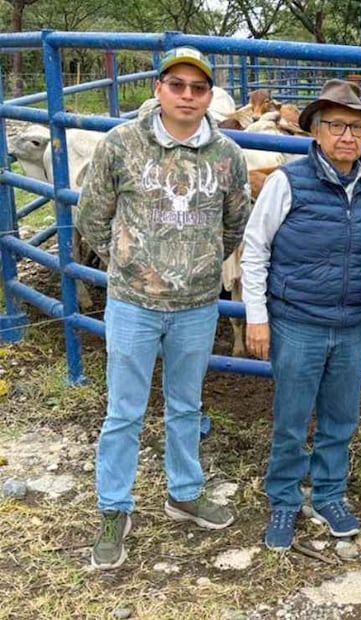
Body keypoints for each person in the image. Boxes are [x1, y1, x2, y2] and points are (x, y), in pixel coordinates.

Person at [79, 46, 250, 570]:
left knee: (186, 405)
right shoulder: (121, 145)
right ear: (159, 89)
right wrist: (131, 265)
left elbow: (233, 224)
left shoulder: (227, 155)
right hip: (133, 303)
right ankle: (114, 508)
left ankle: (184, 492)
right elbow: (91, 218)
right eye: (177, 85)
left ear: (209, 96)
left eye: (198, 89)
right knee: (123, 410)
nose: (187, 96)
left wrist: (196, 268)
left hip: (197, 306)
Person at [240, 79, 361, 551]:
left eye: (357, 127)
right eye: (337, 125)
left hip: (353, 323)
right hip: (297, 321)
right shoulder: (288, 181)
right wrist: (257, 317)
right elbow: (256, 249)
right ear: (316, 131)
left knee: (342, 418)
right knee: (291, 416)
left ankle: (329, 493)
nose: (348, 136)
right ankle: (284, 498)